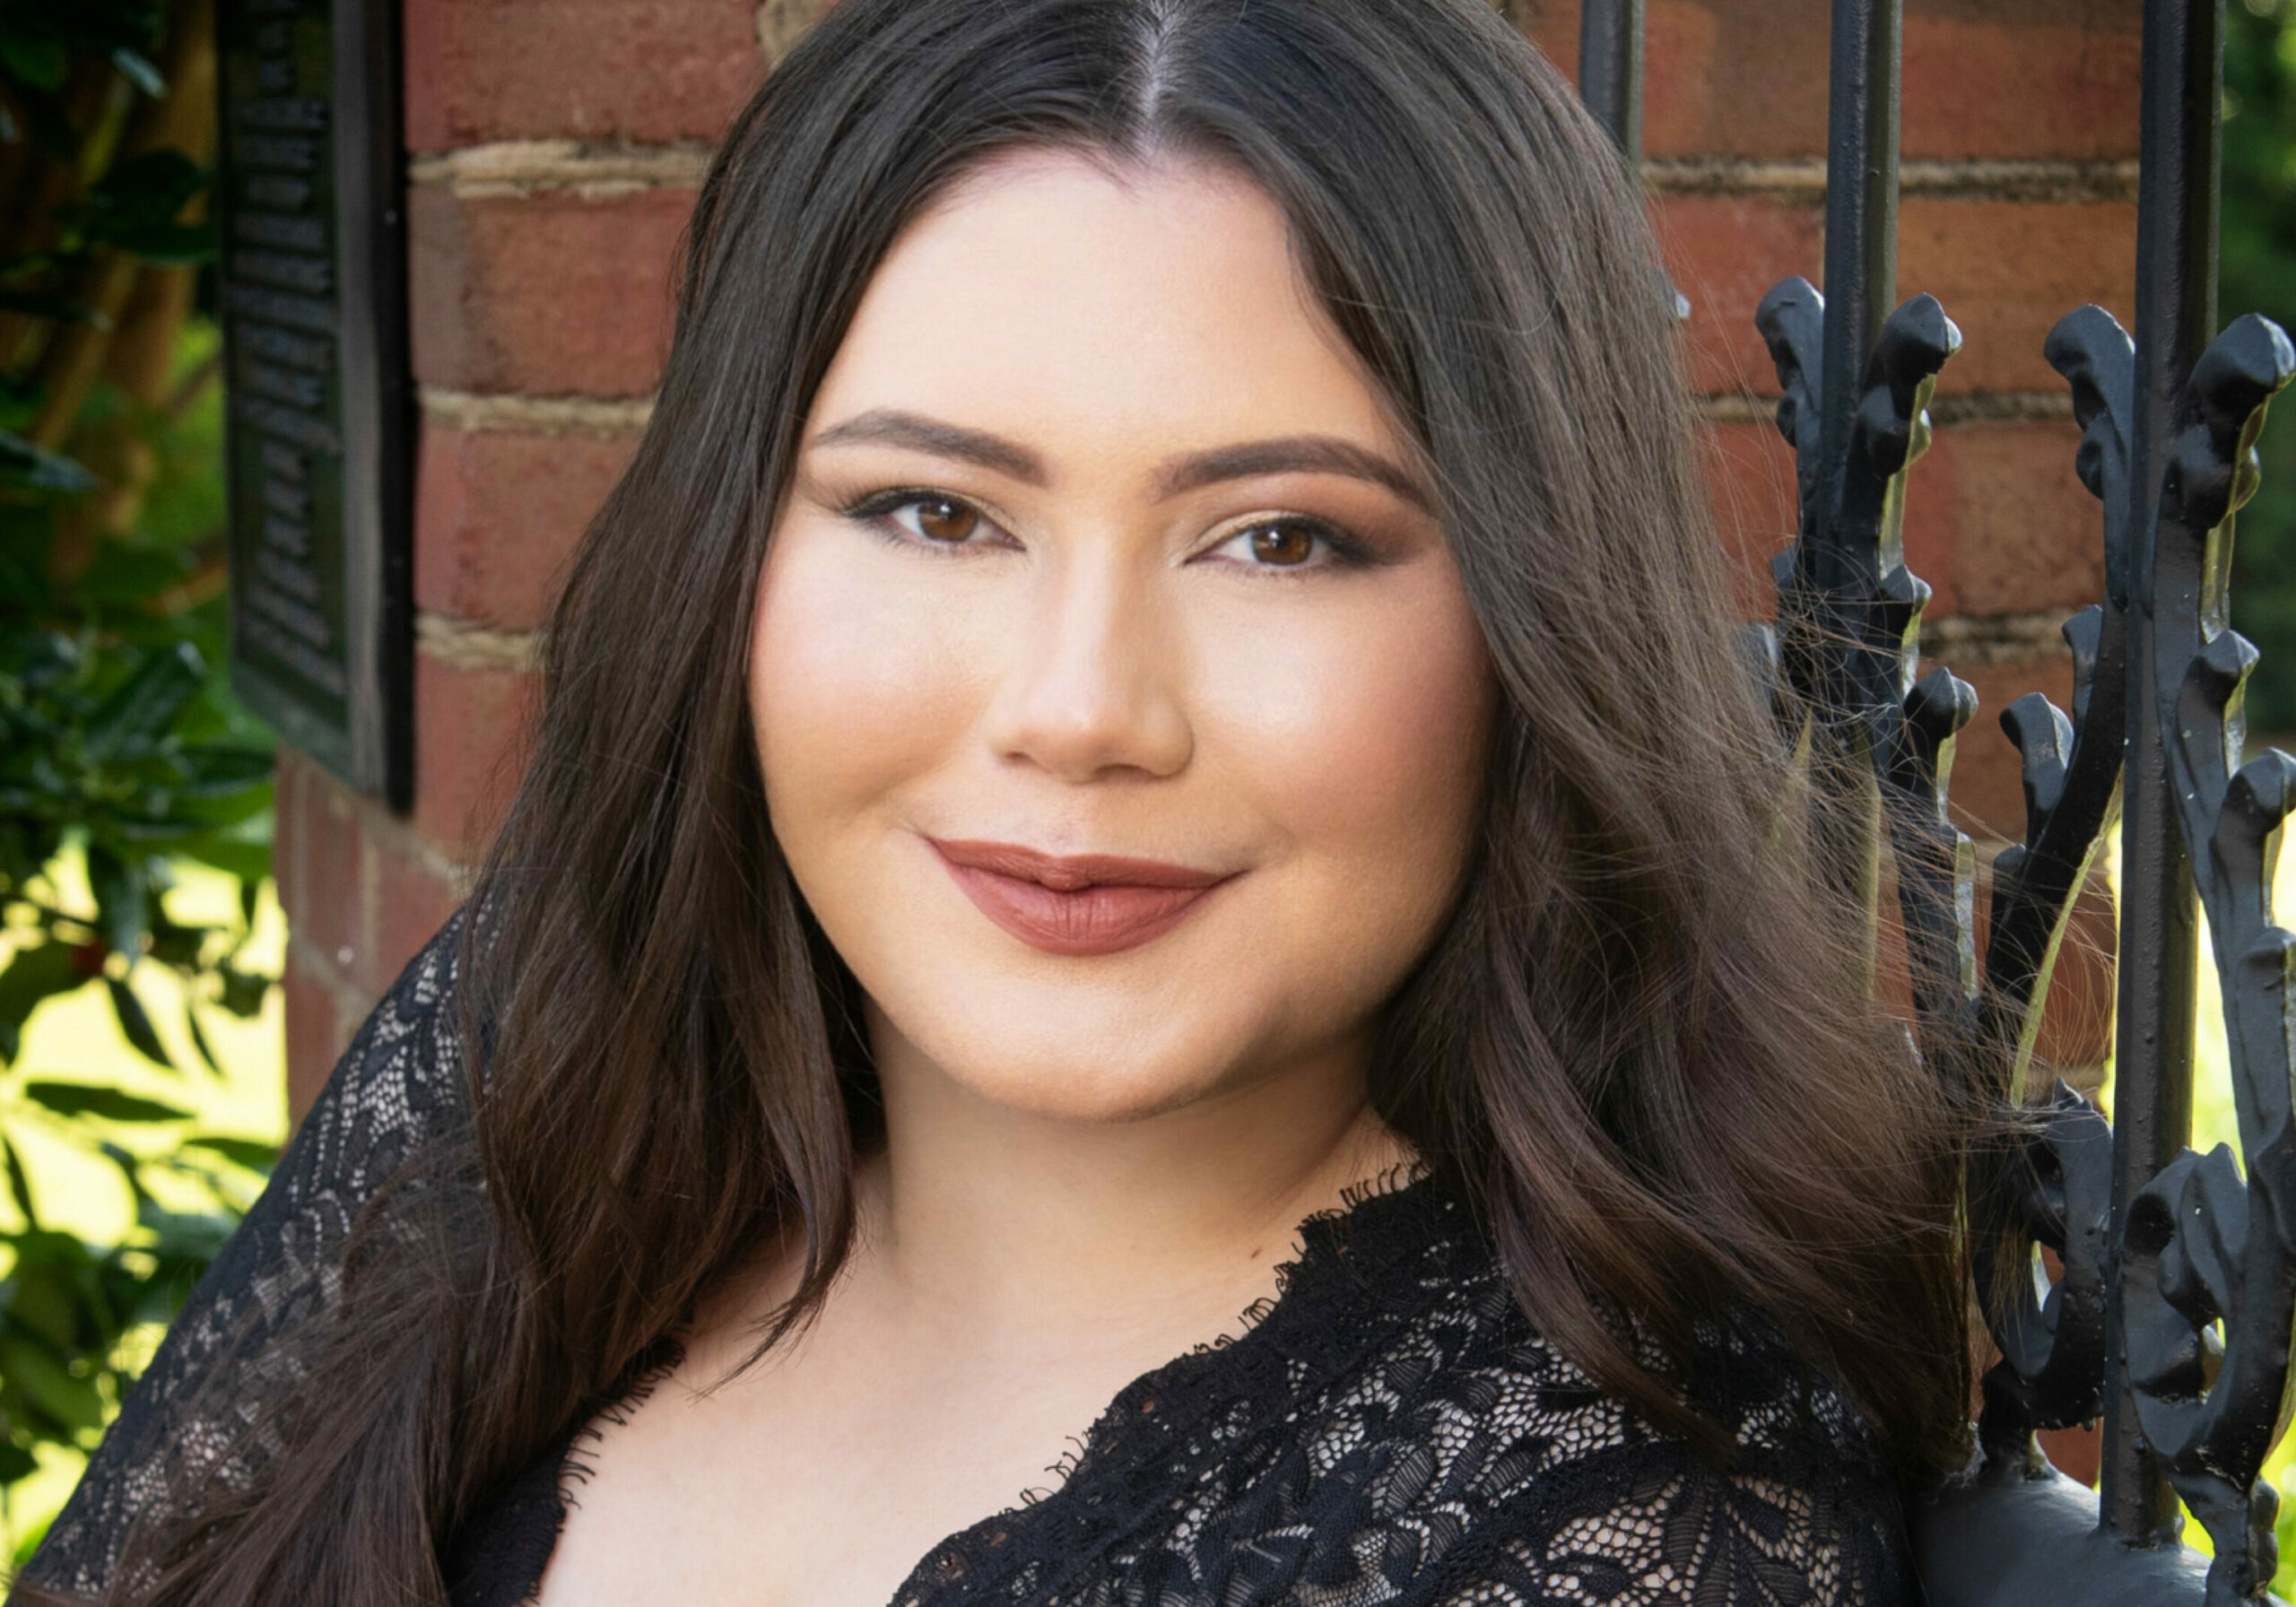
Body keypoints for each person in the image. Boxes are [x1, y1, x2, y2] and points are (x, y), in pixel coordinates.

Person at [13, 1, 1979, 1603]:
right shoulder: (540, 1076)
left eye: (1280, 537)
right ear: (732, 558)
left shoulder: (1606, 1536)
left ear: (1533, 624)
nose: (1078, 711)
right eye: (932, 510)